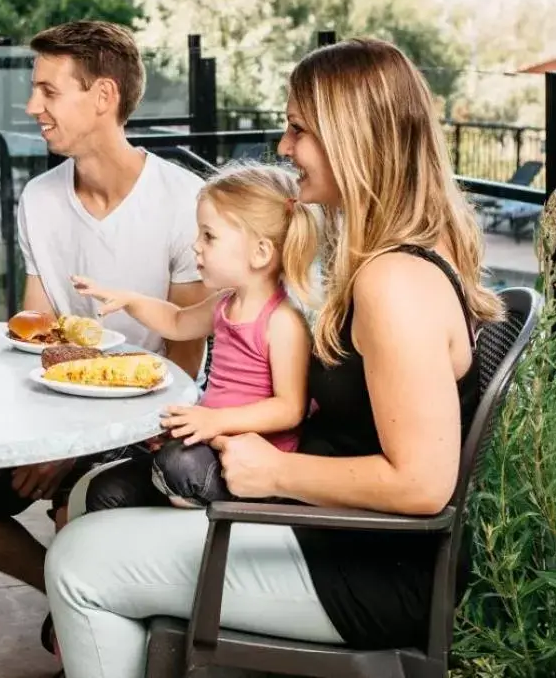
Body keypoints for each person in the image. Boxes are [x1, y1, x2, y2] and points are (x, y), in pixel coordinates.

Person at [45, 37, 506, 678]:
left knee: (78, 561)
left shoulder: (393, 283)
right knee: (107, 501)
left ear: (353, 139)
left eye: (298, 128)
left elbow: (424, 484)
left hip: (363, 571)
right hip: (336, 539)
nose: (284, 147)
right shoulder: (396, 262)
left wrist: (275, 474)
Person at [0, 20, 211, 652]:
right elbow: (36, 332)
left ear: (103, 97)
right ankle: (68, 597)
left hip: (145, 424)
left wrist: (75, 440)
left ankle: (93, 623)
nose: (31, 107)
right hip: (57, 405)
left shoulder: (185, 201)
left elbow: (186, 362)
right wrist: (37, 430)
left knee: (77, 506)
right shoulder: (40, 197)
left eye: (49, 91)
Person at [70, 162, 314, 510]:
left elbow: (289, 409)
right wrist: (129, 300)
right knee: (104, 490)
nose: (195, 246)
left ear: (260, 252)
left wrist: (213, 421)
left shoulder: (282, 321)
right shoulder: (224, 304)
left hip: (245, 461)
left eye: (209, 236)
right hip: (207, 444)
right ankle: (170, 488)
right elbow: (176, 321)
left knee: (178, 465)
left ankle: (179, 492)